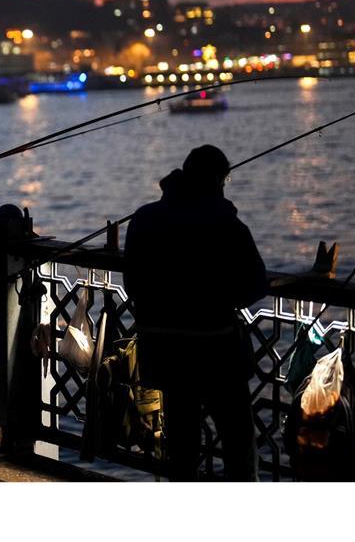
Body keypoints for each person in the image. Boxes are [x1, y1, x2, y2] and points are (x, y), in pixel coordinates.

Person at [123, 145, 267, 481]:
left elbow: (133, 283)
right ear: (218, 179)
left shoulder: (144, 219)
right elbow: (255, 285)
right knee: (237, 440)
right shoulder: (226, 224)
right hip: (216, 350)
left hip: (164, 351)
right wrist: (219, 298)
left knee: (182, 443)